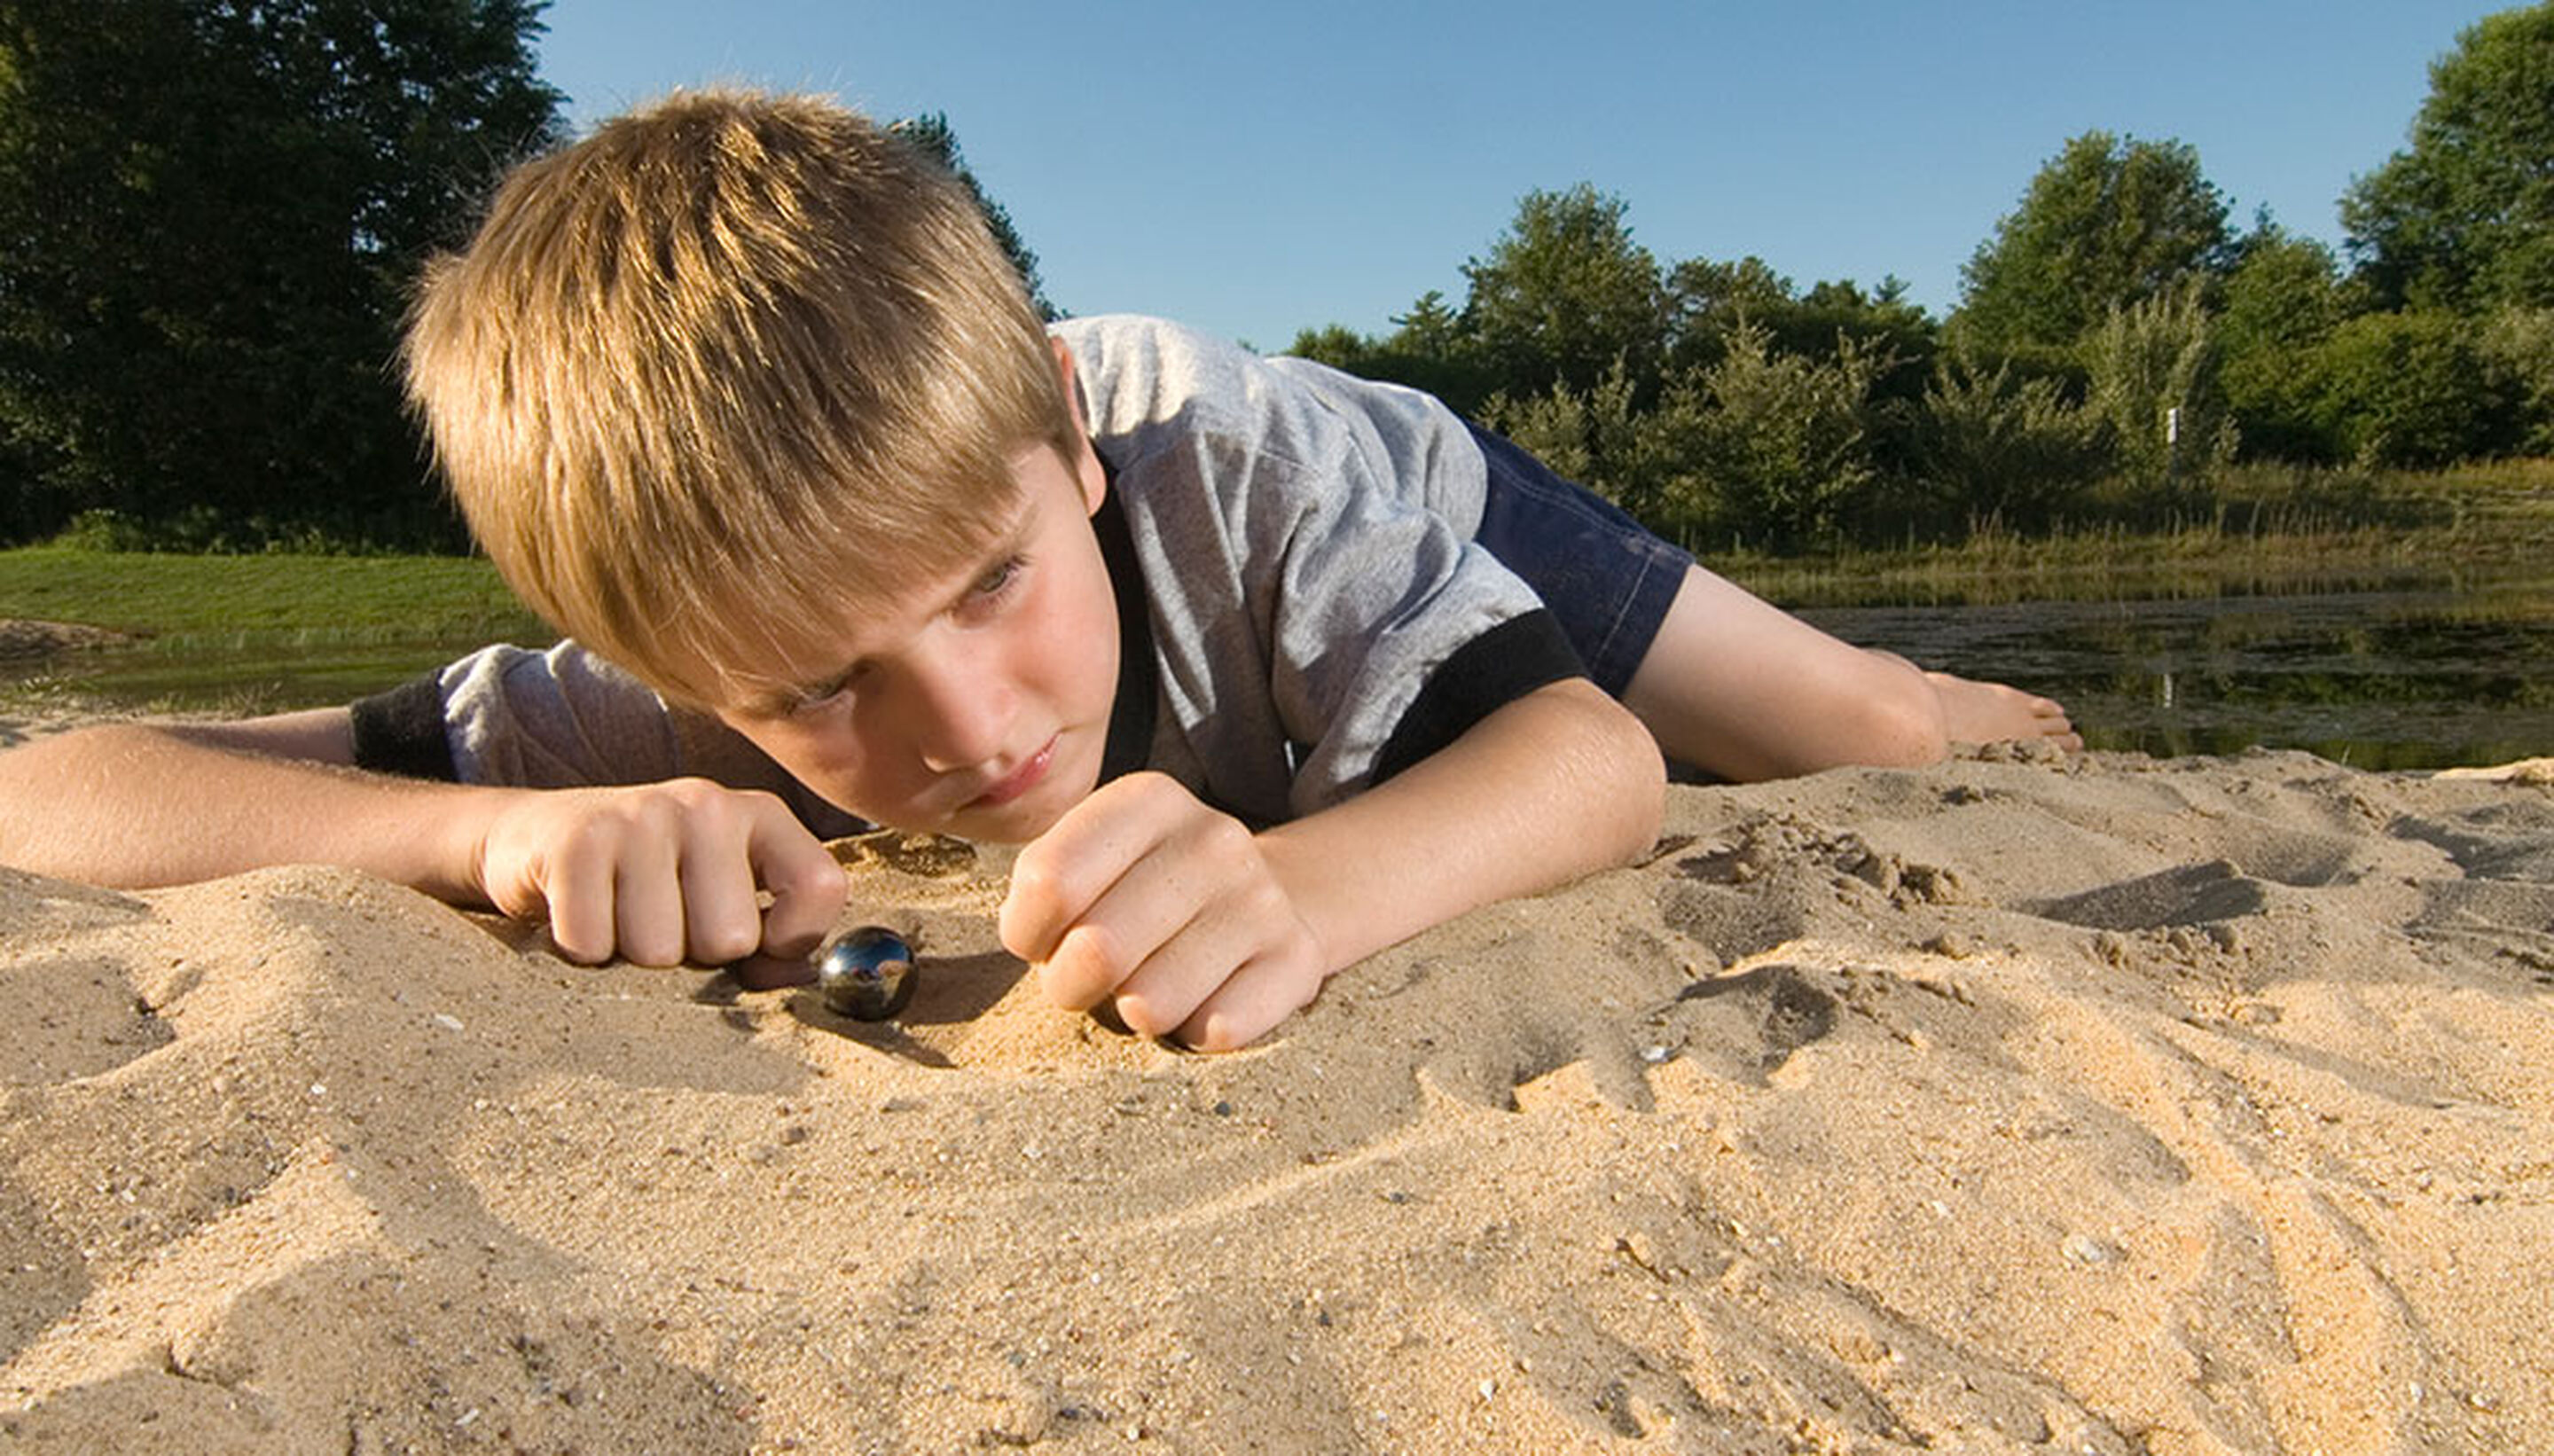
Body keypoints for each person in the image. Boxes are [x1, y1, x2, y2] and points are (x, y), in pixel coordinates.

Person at [0, 90, 2074, 1051]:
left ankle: (1957, 682)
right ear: (665, 664)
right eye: (815, 694)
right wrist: (495, 838)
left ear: (1066, 454)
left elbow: (1586, 760)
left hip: (1416, 492)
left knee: (1853, 732)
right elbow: (52, 782)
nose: (966, 730)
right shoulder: (667, 662)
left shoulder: (1238, 479)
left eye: (988, 581)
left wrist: (1314, 882)